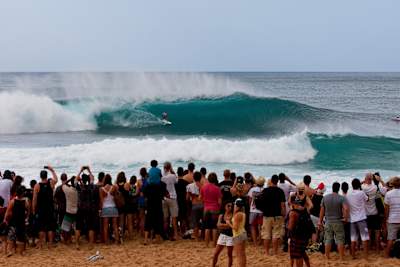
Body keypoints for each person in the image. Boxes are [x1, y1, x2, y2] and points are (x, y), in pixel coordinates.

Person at [256, 174, 286, 256]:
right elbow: (282, 205)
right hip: (277, 215)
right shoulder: (280, 191)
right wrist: (284, 213)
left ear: (271, 181)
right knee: (276, 234)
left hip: (267, 215)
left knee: (266, 234)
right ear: (278, 181)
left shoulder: (265, 191)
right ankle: (275, 252)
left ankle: (267, 252)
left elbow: (259, 201)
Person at [318, 182, 348, 260]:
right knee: (340, 239)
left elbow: (322, 211)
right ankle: (341, 257)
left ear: (332, 188)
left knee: (328, 239)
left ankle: (327, 256)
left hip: (328, 221)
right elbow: (346, 208)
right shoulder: (341, 198)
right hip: (338, 221)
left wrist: (320, 221)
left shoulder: (325, 198)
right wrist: (345, 218)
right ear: (338, 189)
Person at [32, 166, 58, 249]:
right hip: (50, 208)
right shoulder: (51, 183)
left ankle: (41, 244)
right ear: (46, 176)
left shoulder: (37, 186)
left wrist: (33, 209)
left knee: (41, 227)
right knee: (50, 227)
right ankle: (50, 244)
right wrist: (52, 170)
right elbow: (56, 179)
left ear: (40, 176)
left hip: (41, 209)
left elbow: (34, 199)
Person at [75, 166, 99, 249]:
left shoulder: (79, 187)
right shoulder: (91, 186)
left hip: (80, 208)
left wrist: (81, 170)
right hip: (89, 208)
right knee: (90, 227)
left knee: (78, 227)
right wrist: (89, 170)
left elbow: (75, 179)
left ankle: (77, 244)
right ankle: (90, 244)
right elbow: (92, 177)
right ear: (88, 180)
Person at [362, 173, 386, 251]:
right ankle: (377, 249)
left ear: (365, 179)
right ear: (372, 179)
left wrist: (363, 181)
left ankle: (368, 249)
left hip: (366, 214)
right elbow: (385, 189)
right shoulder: (375, 187)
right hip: (375, 213)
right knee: (377, 232)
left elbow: (355, 187)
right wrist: (380, 180)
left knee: (368, 232)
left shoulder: (362, 187)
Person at [347, 178, 369, 259]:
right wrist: (361, 186)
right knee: (364, 238)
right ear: (359, 185)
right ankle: (365, 256)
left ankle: (353, 256)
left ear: (352, 185)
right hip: (361, 218)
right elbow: (368, 199)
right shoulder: (361, 193)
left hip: (352, 219)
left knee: (353, 239)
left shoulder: (348, 194)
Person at [4, 186, 29, 256]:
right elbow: (28, 212)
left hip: (13, 221)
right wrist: (26, 218)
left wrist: (5, 219)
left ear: (16, 193)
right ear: (23, 193)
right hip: (21, 221)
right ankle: (21, 252)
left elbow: (7, 212)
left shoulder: (12, 201)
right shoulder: (26, 202)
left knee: (11, 237)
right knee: (21, 237)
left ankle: (10, 251)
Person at [288, 196, 311, 267]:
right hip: (305, 235)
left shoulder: (293, 212)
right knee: (302, 252)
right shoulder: (304, 209)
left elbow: (291, 227)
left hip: (297, 236)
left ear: (292, 202)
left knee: (298, 256)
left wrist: (288, 233)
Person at [200, 172, 222, 247]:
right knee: (214, 228)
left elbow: (200, 198)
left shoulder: (203, 187)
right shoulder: (217, 189)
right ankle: (214, 244)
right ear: (215, 179)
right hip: (215, 209)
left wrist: (206, 201)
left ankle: (206, 244)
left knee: (207, 227)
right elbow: (219, 201)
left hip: (206, 209)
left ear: (208, 179)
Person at [143, 177, 167, 245]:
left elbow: (144, 196)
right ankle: (157, 239)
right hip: (158, 206)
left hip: (150, 206)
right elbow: (163, 195)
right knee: (158, 222)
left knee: (148, 222)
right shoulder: (160, 186)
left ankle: (145, 240)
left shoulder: (147, 186)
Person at [212, 201, 234, 267]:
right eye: (228, 206)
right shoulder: (221, 215)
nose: (230, 207)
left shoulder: (233, 215)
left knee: (229, 254)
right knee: (216, 253)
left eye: (231, 206)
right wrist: (227, 224)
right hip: (222, 235)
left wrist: (223, 225)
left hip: (230, 236)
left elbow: (230, 226)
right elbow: (218, 225)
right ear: (225, 206)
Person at [99, 174, 119, 244]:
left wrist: (100, 210)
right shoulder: (114, 187)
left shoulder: (101, 189)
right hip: (113, 208)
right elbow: (116, 197)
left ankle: (106, 241)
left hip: (105, 208)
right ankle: (116, 240)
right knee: (115, 226)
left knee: (105, 226)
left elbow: (101, 201)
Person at [161, 162, 179, 240]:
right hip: (172, 197)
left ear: (164, 168)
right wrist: (172, 171)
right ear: (170, 167)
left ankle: (165, 235)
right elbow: (176, 181)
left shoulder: (162, 177)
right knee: (174, 218)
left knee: (165, 218)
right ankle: (175, 235)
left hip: (164, 198)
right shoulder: (172, 176)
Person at [228, 198, 247, 267]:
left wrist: (228, 223)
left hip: (238, 235)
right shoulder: (243, 213)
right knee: (242, 253)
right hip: (243, 233)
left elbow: (235, 228)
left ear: (237, 206)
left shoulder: (237, 215)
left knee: (239, 254)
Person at [384, 176, 400, 258]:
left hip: (392, 219)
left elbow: (387, 209)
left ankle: (386, 255)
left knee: (390, 239)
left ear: (392, 184)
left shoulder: (388, 194)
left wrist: (386, 219)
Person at [186, 171, 204, 240]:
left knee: (195, 222)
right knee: (203, 221)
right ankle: (202, 236)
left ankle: (196, 236)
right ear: (200, 178)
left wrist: (191, 198)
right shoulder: (203, 186)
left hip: (194, 205)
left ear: (193, 177)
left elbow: (187, 198)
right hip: (202, 205)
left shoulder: (189, 186)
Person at [247, 176, 265, 245]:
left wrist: (250, 207)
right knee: (260, 227)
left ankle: (255, 242)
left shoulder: (252, 189)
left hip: (253, 210)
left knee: (252, 226)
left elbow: (250, 200)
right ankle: (260, 241)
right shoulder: (264, 190)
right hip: (261, 210)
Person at [175, 167, 189, 236]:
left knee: (177, 217)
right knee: (183, 217)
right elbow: (187, 194)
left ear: (177, 173)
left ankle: (178, 231)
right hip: (183, 201)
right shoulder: (186, 183)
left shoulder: (175, 183)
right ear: (183, 173)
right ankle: (183, 232)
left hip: (176, 201)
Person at [124, 175, 139, 240]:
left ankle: (129, 231)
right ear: (135, 180)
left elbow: (129, 193)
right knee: (134, 217)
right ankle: (134, 231)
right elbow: (135, 194)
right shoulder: (135, 186)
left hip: (128, 203)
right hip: (134, 203)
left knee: (129, 219)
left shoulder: (128, 186)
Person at [137, 167, 148, 236]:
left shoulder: (139, 181)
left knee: (142, 217)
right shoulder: (149, 180)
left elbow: (137, 192)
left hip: (141, 199)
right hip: (147, 199)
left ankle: (142, 232)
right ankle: (148, 232)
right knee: (148, 217)